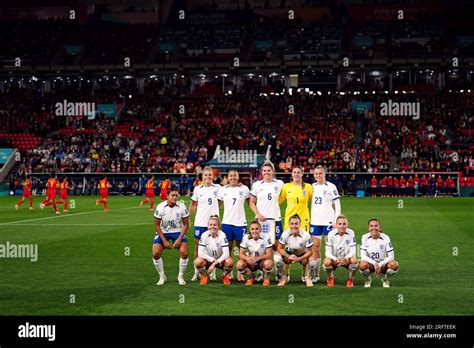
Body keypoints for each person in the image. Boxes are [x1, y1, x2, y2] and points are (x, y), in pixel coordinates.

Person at [279, 166, 312, 281]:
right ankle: (287, 274)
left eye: (299, 172)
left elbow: (315, 201)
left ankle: (304, 274)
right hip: (290, 222)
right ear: (291, 174)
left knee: (304, 248)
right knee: (288, 247)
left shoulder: (308, 187)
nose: (296, 174)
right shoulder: (286, 187)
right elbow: (278, 200)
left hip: (304, 221)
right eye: (294, 172)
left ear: (302, 174)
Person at [309, 165, 341, 282]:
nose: (318, 175)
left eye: (320, 173)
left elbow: (337, 204)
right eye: (316, 174)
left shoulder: (331, 187)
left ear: (324, 174)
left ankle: (330, 275)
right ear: (314, 175)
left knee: (329, 248)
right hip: (315, 222)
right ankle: (316, 275)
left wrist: (336, 221)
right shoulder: (312, 187)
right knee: (315, 248)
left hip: (329, 222)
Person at [152, 187, 190, 285]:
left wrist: (179, 239)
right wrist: (164, 241)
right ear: (167, 196)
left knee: (184, 253)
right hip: (163, 232)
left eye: (176, 195)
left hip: (177, 231)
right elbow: (156, 225)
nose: (174, 197)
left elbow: (186, 224)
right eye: (172, 195)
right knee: (156, 254)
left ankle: (180, 276)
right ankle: (162, 276)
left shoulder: (181, 206)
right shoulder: (160, 207)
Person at [218, 169, 250, 281]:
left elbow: (250, 202)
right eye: (230, 176)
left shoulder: (244, 189)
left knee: (241, 248)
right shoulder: (222, 190)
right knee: (228, 248)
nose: (233, 178)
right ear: (227, 177)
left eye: (235, 176)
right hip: (226, 223)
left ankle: (241, 271)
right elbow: (217, 204)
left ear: (238, 177)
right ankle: (229, 271)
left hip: (240, 223)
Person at [190, 166, 221, 281]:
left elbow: (221, 200)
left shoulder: (217, 188)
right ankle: (197, 271)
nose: (208, 177)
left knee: (213, 247)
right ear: (202, 177)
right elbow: (193, 203)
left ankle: (212, 271)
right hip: (200, 222)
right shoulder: (198, 189)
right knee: (198, 247)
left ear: (213, 176)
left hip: (213, 223)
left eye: (210, 175)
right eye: (206, 175)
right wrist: (189, 216)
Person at [274, 214, 317, 287]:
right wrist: (288, 256)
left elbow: (310, 251)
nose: (294, 226)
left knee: (312, 261)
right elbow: (279, 248)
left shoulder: (306, 235)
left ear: (300, 224)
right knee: (277, 258)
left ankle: (308, 277)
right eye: (292, 224)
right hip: (290, 253)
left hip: (302, 254)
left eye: (296, 224)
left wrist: (299, 258)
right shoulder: (285, 234)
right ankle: (283, 277)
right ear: (289, 224)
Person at [249, 160, 284, 247]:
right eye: (264, 170)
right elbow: (252, 202)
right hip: (261, 220)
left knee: (277, 246)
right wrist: (257, 214)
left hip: (275, 219)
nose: (266, 172)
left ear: (272, 171)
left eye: (269, 170)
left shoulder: (280, 184)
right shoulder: (257, 185)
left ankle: (275, 260)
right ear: (262, 172)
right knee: (260, 245)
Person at [359, 218, 400, 288]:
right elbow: (363, 256)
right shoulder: (364, 237)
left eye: (376, 226)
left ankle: (385, 279)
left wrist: (379, 264)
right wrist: (375, 264)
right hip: (371, 264)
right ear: (368, 228)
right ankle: (368, 279)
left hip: (383, 264)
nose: (373, 228)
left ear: (379, 227)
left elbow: (391, 256)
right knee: (362, 265)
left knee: (394, 265)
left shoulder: (386, 237)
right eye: (371, 226)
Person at [194, 215, 234, 285]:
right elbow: (200, 253)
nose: (212, 227)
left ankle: (224, 276)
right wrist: (212, 260)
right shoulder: (204, 235)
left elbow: (226, 254)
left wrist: (215, 263)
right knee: (197, 261)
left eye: (215, 225)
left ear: (218, 226)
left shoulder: (222, 235)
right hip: (208, 261)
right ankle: (204, 276)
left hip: (220, 261)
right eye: (210, 225)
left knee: (230, 262)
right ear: (207, 226)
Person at [323, 215, 358, 288]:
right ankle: (330, 277)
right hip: (335, 260)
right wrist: (335, 259)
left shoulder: (351, 233)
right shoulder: (331, 234)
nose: (342, 226)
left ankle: (350, 279)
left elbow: (353, 250)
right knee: (326, 262)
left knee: (354, 261)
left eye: (344, 224)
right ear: (336, 225)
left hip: (346, 259)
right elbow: (327, 252)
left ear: (347, 225)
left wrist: (346, 258)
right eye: (340, 224)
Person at [236, 219, 273, 286]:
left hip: (262, 261)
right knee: (239, 265)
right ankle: (251, 277)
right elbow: (241, 254)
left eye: (256, 229)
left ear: (260, 229)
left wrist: (258, 258)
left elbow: (269, 254)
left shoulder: (266, 237)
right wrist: (248, 258)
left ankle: (266, 279)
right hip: (251, 261)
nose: (254, 231)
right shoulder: (246, 237)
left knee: (269, 263)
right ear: (250, 230)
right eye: (252, 229)